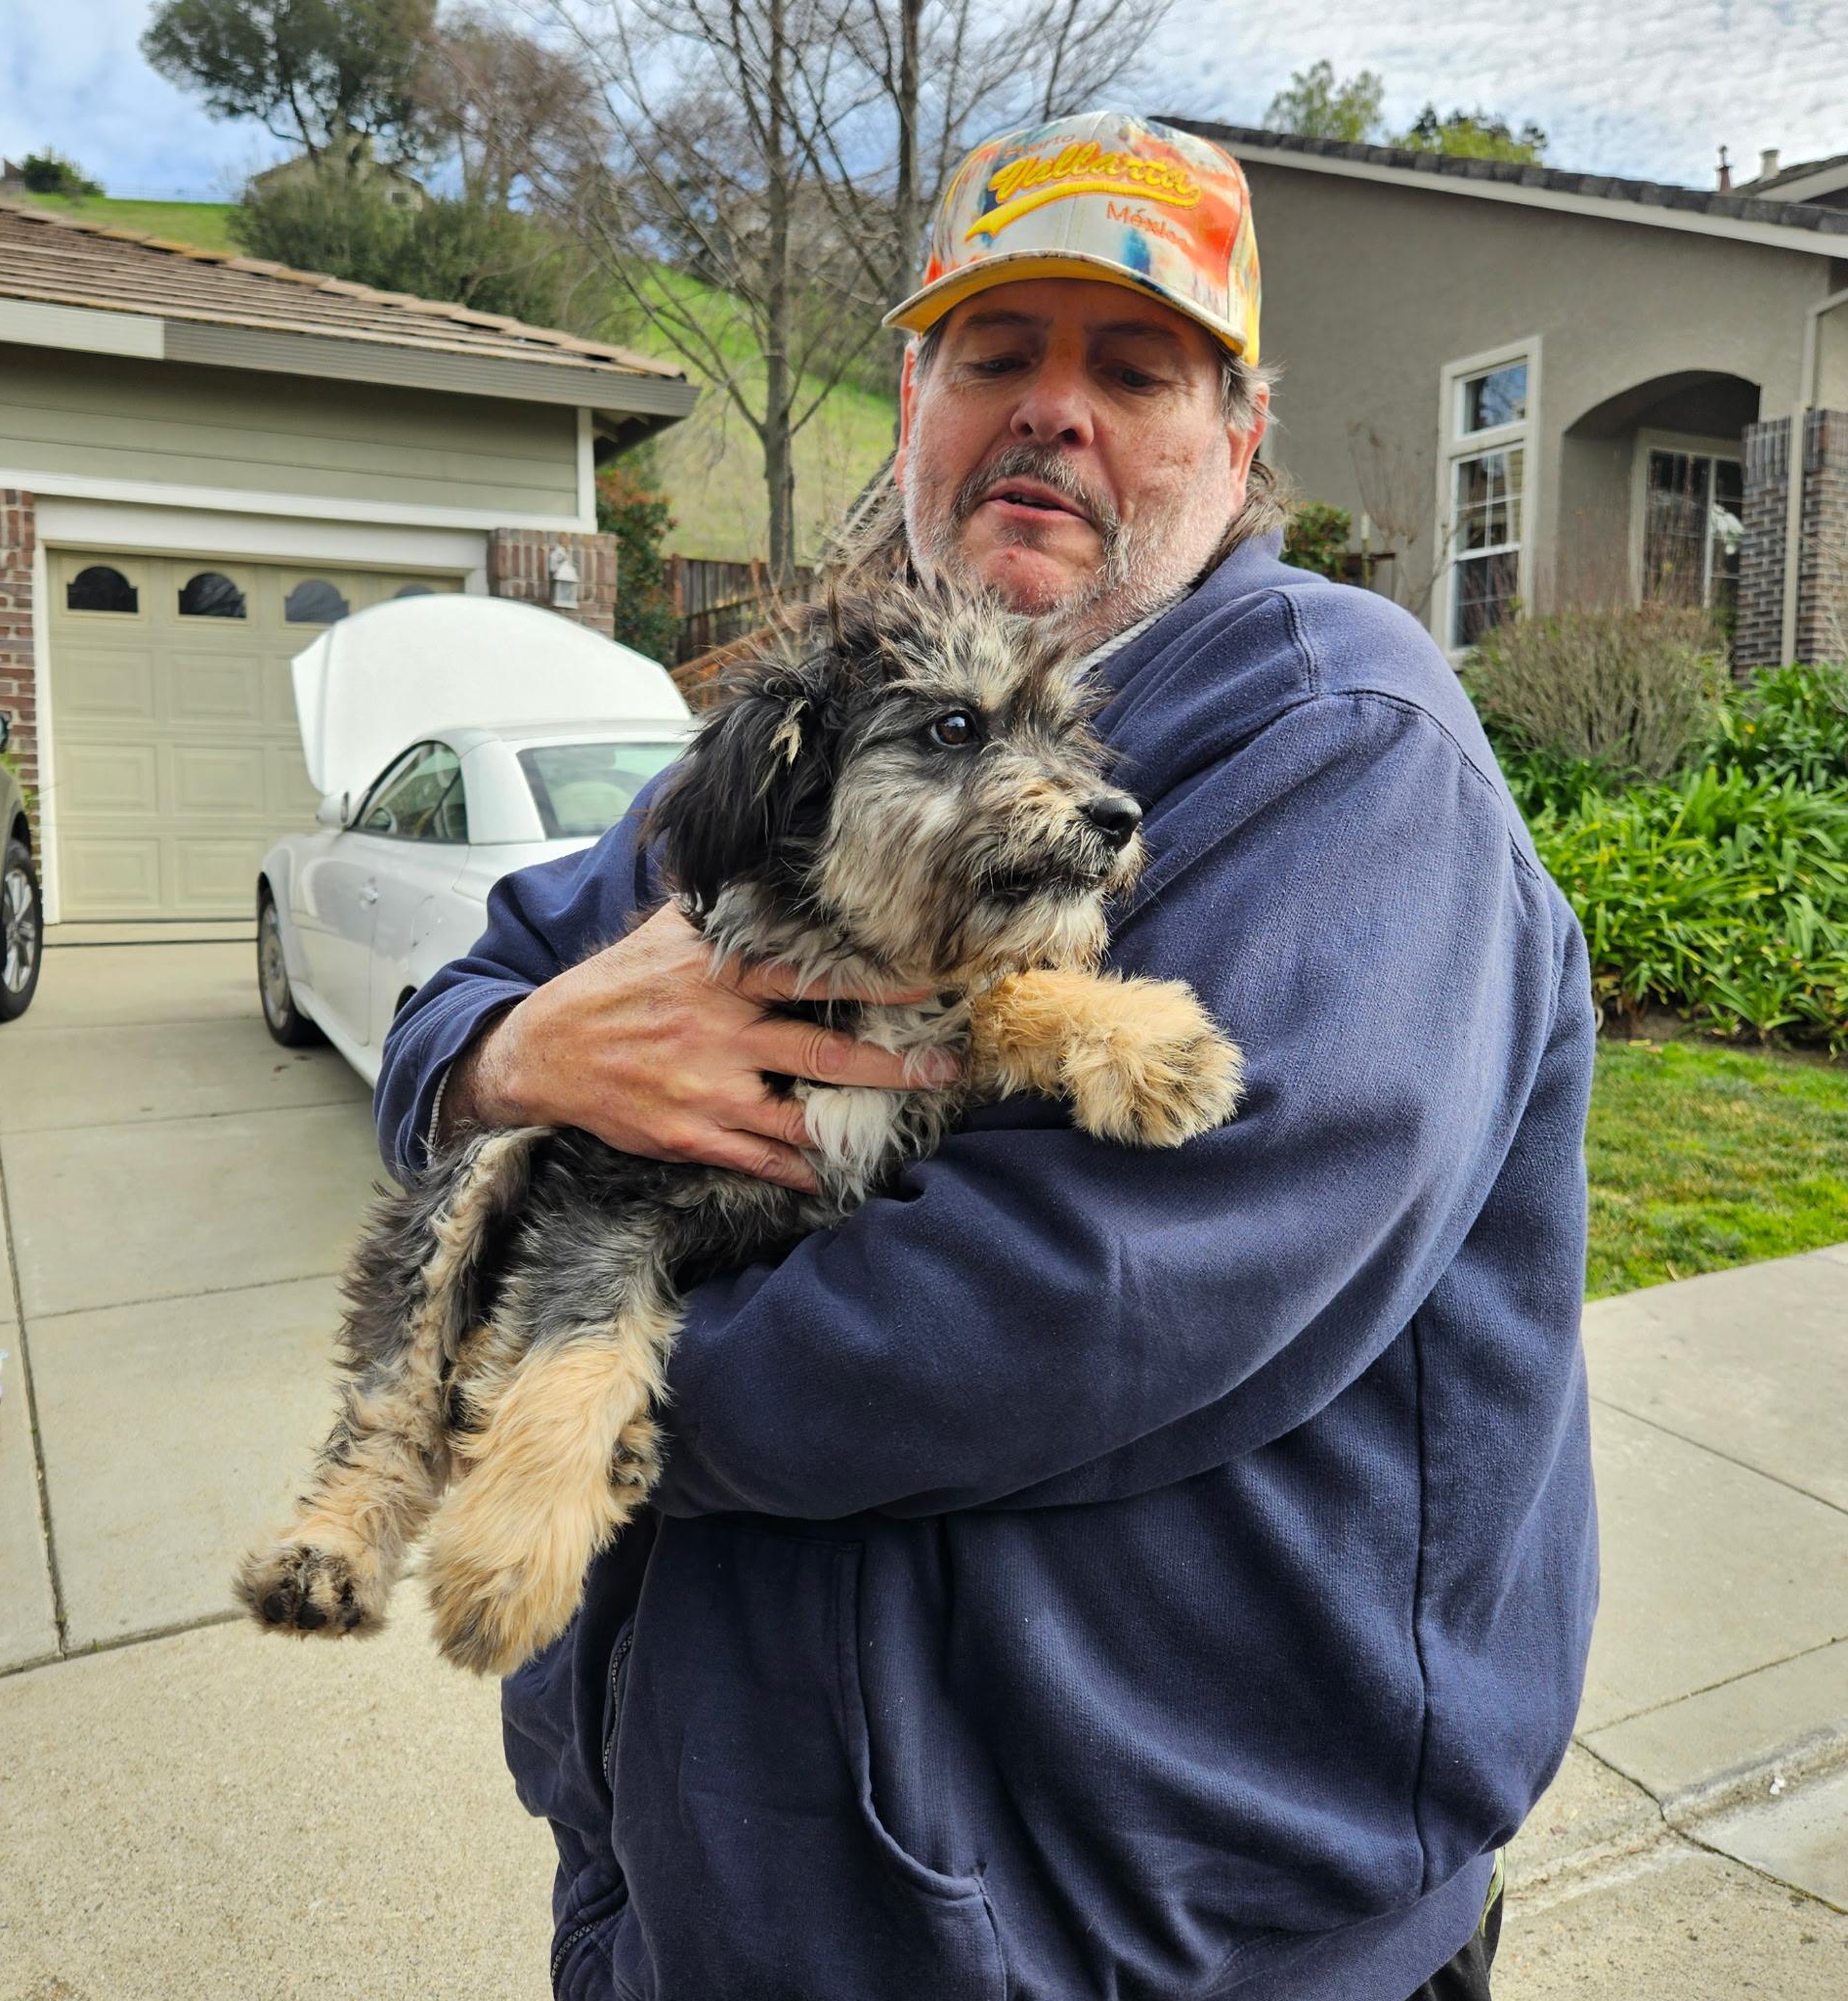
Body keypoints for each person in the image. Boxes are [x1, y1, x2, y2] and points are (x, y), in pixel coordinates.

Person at [376, 110, 1597, 2001]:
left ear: (1240, 436)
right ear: (916, 393)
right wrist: (513, 1054)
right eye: (996, 355)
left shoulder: (1345, 742)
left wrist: (536, 1379)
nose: (1055, 414)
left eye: (1134, 368)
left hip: (1156, 1936)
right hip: (705, 1893)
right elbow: (475, 997)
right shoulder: (833, 712)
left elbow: (1076, 1308)